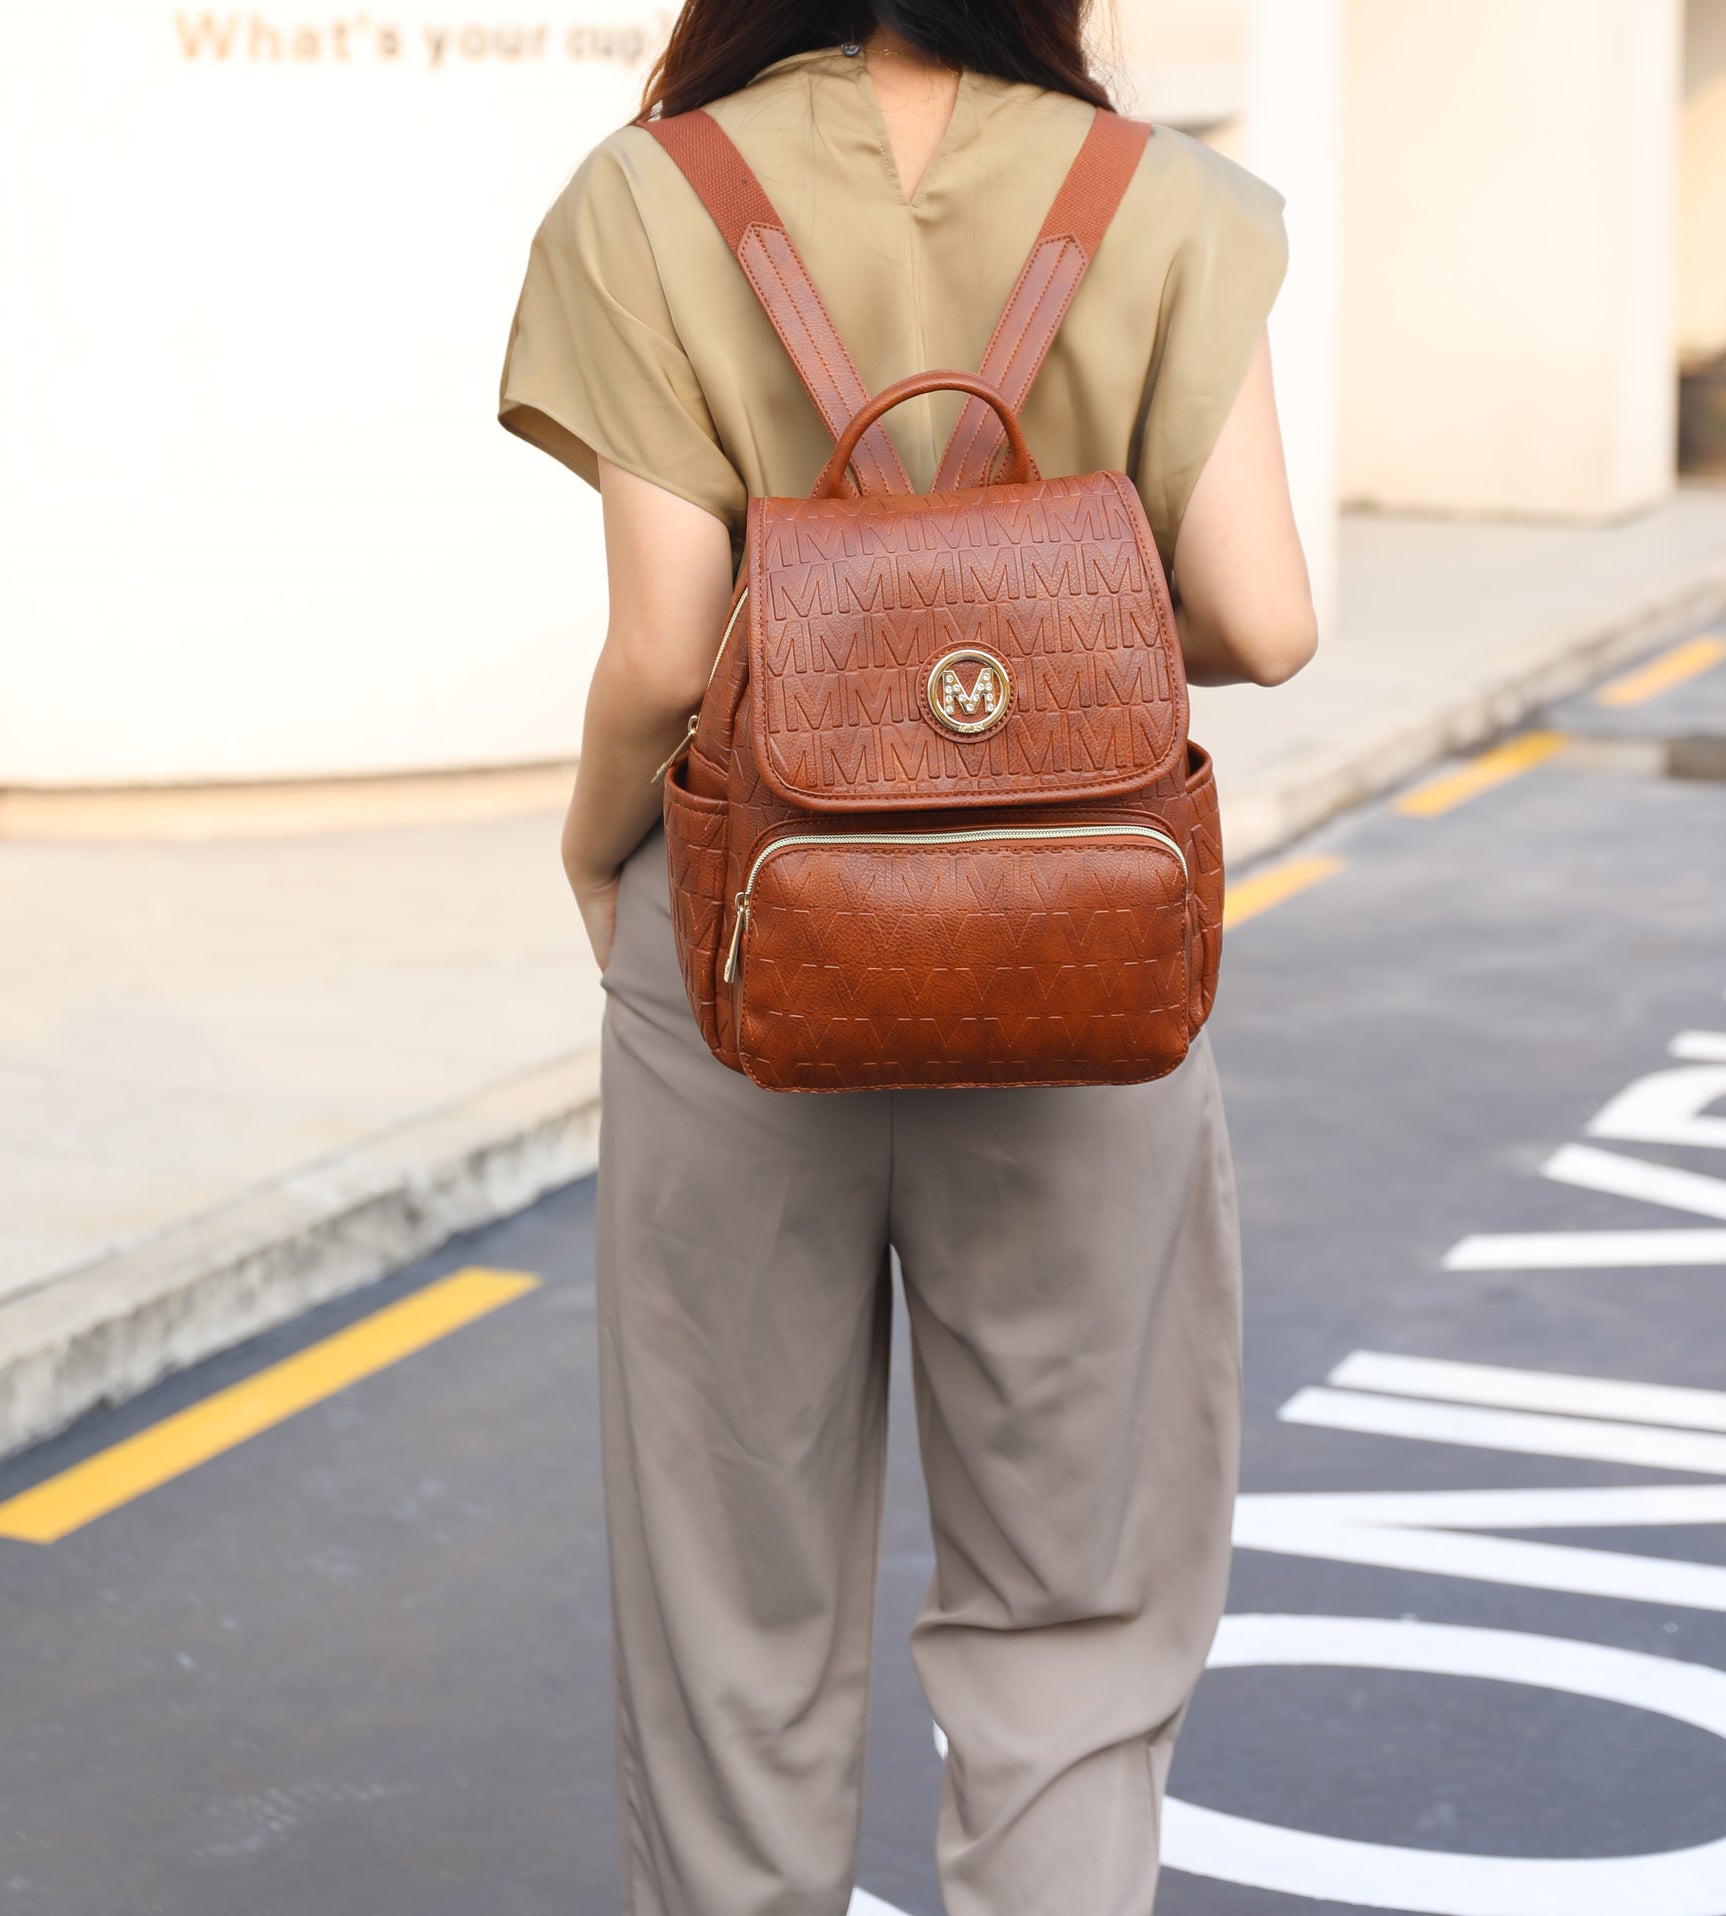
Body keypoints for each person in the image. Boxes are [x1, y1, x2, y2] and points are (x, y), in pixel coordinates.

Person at [498, 4, 1316, 1910]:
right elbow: (1265, 620)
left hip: (740, 944)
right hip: (1081, 967)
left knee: (734, 1611)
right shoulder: (1167, 198)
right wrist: (1025, 656)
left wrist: (583, 840)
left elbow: (662, 641)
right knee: (1074, 1609)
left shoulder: (653, 190)